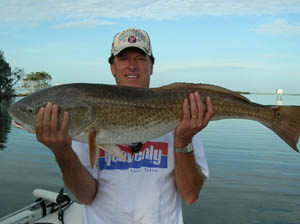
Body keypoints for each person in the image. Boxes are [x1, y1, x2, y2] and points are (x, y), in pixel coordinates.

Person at [35, 28, 214, 224]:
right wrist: (63, 152)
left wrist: (183, 140)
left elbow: (190, 195)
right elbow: (85, 196)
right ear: (112, 67)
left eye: (140, 58)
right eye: (123, 59)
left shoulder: (184, 116)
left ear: (151, 66)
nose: (132, 66)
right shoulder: (83, 121)